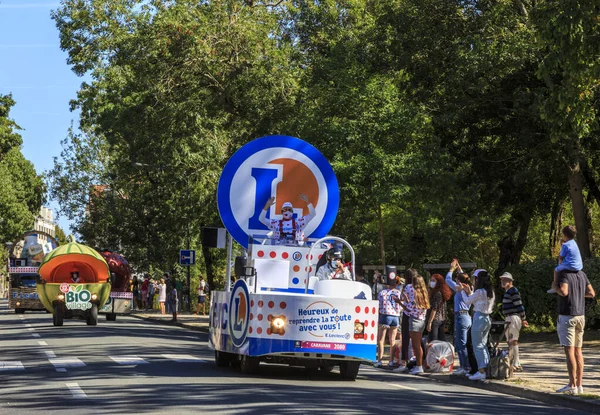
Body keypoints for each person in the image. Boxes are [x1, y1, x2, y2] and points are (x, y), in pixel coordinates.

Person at [553, 268, 595, 394]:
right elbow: (592, 293)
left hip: (568, 315)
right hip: (580, 315)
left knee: (569, 350)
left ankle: (572, 384)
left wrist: (555, 286)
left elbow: (564, 291)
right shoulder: (582, 274)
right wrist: (578, 293)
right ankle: (579, 385)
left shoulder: (564, 274)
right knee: (578, 350)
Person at [457, 269, 495, 381]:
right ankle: (486, 369)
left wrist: (463, 291)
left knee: (477, 345)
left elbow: (467, 301)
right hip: (487, 318)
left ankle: (481, 371)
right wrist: (469, 292)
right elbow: (476, 301)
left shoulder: (480, 291)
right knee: (483, 344)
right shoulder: (490, 292)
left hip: (479, 317)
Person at [399, 273, 430, 375]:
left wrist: (399, 302)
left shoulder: (415, 295)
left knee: (416, 346)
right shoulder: (424, 293)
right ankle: (419, 365)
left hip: (415, 320)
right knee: (418, 345)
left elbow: (409, 308)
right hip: (421, 320)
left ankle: (419, 366)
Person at [446, 260, 473, 375]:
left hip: (460, 316)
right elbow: (464, 277)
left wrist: (452, 269)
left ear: (458, 280)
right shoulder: (470, 288)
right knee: (466, 342)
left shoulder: (458, 287)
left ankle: (464, 366)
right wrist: (460, 269)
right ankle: (467, 365)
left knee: (460, 343)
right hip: (467, 316)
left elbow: (447, 280)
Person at [499, 272, 529, 372]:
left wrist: (523, 318)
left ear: (510, 281)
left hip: (513, 317)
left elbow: (519, 304)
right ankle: (514, 361)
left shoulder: (513, 291)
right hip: (508, 317)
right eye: (502, 280)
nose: (502, 281)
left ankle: (516, 362)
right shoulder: (508, 291)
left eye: (505, 280)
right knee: (509, 340)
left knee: (513, 339)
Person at [374, 266, 402, 368]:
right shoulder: (399, 293)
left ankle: (379, 360)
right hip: (395, 316)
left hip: (385, 315)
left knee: (381, 339)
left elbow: (379, 305)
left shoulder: (382, 293)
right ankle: (390, 360)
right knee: (392, 340)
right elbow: (401, 306)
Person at [394, 268, 417, 373]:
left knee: (405, 338)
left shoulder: (408, 286)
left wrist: (399, 301)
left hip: (408, 314)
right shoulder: (419, 287)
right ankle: (417, 360)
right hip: (417, 314)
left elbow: (403, 297)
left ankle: (404, 362)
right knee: (416, 339)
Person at [549, 225, 583, 294]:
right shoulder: (574, 242)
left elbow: (561, 257)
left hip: (570, 266)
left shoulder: (565, 245)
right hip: (579, 266)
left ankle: (555, 286)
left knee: (556, 270)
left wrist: (560, 262)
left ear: (564, 235)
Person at [426, 273, 452, 343]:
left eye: (433, 280)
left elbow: (434, 308)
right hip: (442, 319)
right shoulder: (442, 292)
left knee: (433, 341)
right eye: (431, 280)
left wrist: (429, 322)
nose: (431, 282)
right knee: (441, 339)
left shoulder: (437, 293)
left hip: (435, 319)